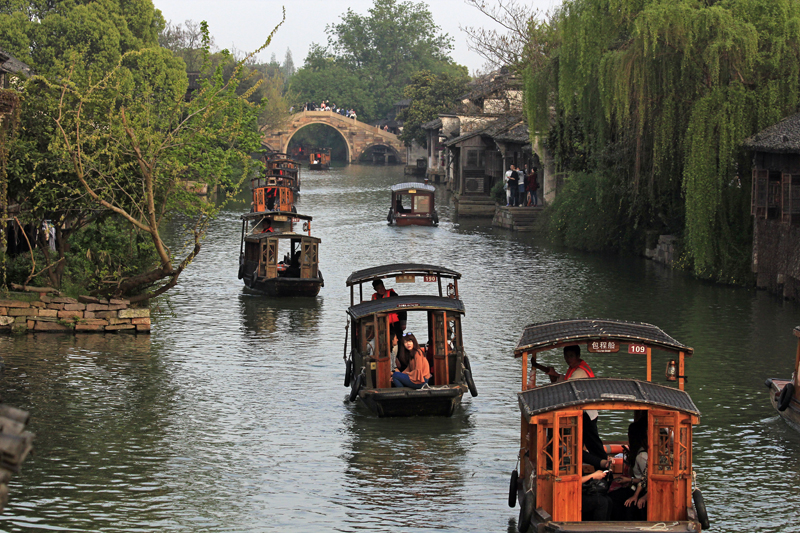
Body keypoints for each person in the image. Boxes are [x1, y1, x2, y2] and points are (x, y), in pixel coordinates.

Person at [545, 346, 608, 469]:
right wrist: (556, 376)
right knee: (584, 444)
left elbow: (568, 387)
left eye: (571, 356)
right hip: (583, 413)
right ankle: (594, 468)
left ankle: (604, 467)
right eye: (566, 356)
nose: (568, 359)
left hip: (586, 414)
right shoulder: (574, 369)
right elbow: (566, 381)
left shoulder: (580, 371)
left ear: (578, 356)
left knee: (592, 444)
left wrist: (556, 377)